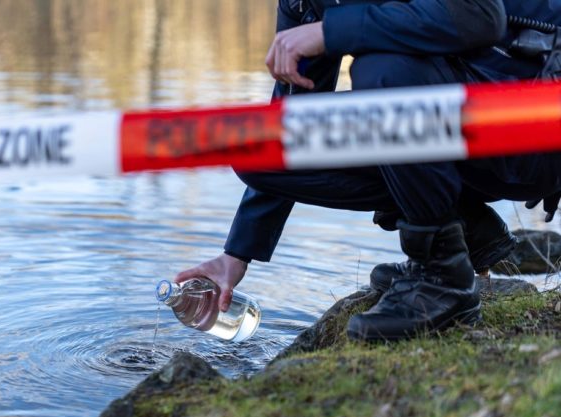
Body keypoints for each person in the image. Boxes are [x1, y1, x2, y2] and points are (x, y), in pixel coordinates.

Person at [175, 0, 561, 341]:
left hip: (532, 129)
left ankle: (444, 284)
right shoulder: (302, 2)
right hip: (452, 127)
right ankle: (459, 231)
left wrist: (329, 33)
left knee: (382, 70)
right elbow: (292, 120)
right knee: (261, 150)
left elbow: (479, 16)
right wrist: (236, 256)